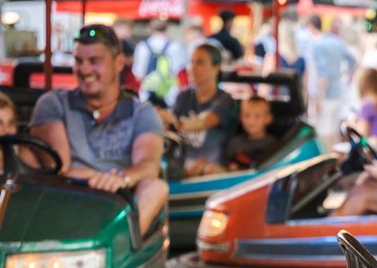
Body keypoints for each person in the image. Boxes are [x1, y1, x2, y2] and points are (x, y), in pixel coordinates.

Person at [29, 24, 167, 234]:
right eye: (79, 61)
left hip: (120, 206)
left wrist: (122, 179)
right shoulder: (53, 103)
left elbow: (149, 164)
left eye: (94, 61)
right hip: (65, 200)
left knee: (156, 187)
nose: (84, 70)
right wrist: (103, 179)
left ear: (119, 63)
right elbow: (60, 169)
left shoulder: (142, 113)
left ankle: (120, 243)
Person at [164, 43, 237, 176]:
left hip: (211, 173)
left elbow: (206, 121)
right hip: (181, 170)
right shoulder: (183, 97)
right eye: (191, 62)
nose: (192, 67)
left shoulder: (225, 99)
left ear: (216, 68)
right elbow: (169, 131)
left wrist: (173, 121)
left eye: (200, 62)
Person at [305, 15, 358, 147]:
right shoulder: (337, 42)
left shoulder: (318, 45)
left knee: (324, 132)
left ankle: (329, 158)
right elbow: (353, 61)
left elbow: (324, 74)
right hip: (337, 93)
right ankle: (335, 157)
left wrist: (318, 96)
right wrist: (347, 77)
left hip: (326, 95)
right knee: (333, 131)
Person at [131, 17, 186, 107]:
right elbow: (179, 72)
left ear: (150, 29)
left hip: (146, 95)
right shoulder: (175, 46)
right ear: (167, 29)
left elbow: (138, 75)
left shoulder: (142, 47)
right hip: (170, 95)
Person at [225, 95, 280, 170]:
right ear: (240, 117)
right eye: (247, 115)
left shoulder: (274, 145)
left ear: (268, 118)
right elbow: (227, 168)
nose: (251, 121)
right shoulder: (234, 143)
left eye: (257, 116)